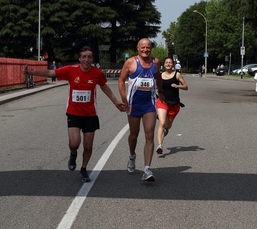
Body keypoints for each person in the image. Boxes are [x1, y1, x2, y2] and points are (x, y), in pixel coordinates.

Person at [23, 46, 125, 182]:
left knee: (88, 146)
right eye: (84, 57)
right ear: (79, 58)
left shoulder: (97, 73)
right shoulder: (71, 70)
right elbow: (50, 73)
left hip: (90, 114)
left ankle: (83, 169)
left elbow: (104, 87)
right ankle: (73, 153)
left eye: (89, 57)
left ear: (92, 59)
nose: (86, 59)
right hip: (73, 112)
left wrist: (116, 102)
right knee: (74, 143)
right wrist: (31, 72)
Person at [118, 38, 162, 182]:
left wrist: (160, 93)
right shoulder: (131, 62)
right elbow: (121, 80)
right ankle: (132, 156)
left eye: (148, 47)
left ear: (151, 48)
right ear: (137, 48)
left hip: (149, 104)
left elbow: (158, 77)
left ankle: (147, 169)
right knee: (134, 135)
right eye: (142, 47)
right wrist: (124, 99)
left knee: (149, 135)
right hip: (134, 105)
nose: (145, 50)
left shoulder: (155, 62)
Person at [155, 57, 188, 154]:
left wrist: (178, 86)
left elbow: (186, 87)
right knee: (161, 122)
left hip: (174, 104)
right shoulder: (160, 76)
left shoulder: (177, 75)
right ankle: (159, 145)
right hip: (162, 102)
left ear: (172, 65)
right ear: (164, 64)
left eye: (170, 63)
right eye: (166, 62)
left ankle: (166, 129)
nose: (168, 64)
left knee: (167, 125)